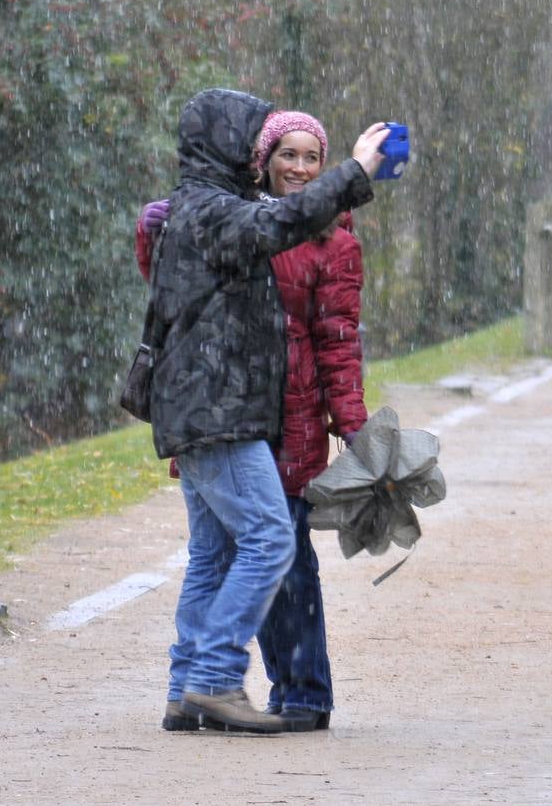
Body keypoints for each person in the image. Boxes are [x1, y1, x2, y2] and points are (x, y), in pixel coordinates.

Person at [145, 88, 386, 734]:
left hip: (201, 407)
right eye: (259, 144)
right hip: (220, 409)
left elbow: (333, 335)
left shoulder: (190, 211)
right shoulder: (217, 213)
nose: (263, 157)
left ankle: (183, 690)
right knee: (272, 539)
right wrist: (356, 173)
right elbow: (280, 223)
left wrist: (349, 421)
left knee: (213, 554)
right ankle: (216, 678)